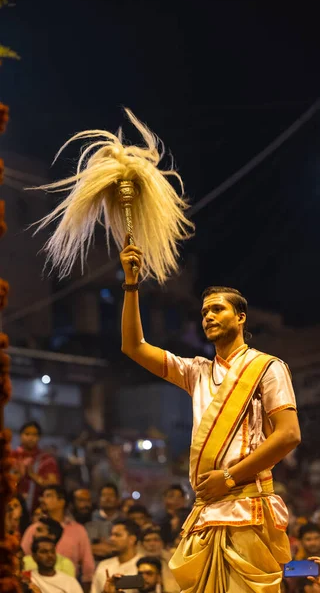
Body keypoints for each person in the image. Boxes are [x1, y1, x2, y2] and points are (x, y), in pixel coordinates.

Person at [120, 242, 301, 593]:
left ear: (241, 317)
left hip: (248, 508)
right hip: (206, 511)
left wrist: (230, 478)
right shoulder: (196, 371)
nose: (208, 317)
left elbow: (289, 435)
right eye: (204, 313)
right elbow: (133, 346)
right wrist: (131, 283)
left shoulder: (268, 367)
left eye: (218, 309)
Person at [21, 485, 95, 590]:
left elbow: (88, 566)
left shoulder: (78, 530)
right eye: (43, 496)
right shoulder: (34, 529)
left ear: (61, 501)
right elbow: (22, 558)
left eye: (48, 496)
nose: (43, 500)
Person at [11, 421, 60, 513]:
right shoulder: (11, 457)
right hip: (12, 509)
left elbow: (54, 487)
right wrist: (17, 476)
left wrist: (33, 476)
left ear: (39, 438)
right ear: (20, 436)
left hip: (39, 511)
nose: (31, 438)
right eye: (27, 434)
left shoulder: (47, 460)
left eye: (34, 435)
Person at [90, 519, 143, 593]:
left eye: (117, 535)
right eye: (111, 535)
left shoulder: (143, 565)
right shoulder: (103, 565)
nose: (112, 539)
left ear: (132, 539)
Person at [85, 484, 124, 563]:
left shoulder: (124, 520)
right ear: (99, 499)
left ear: (117, 499)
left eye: (111, 495)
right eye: (104, 495)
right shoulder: (88, 518)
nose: (107, 498)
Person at [141, 527, 179, 593]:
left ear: (162, 543)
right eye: (147, 540)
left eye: (156, 540)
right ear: (141, 544)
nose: (152, 544)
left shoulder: (173, 561)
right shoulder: (137, 562)